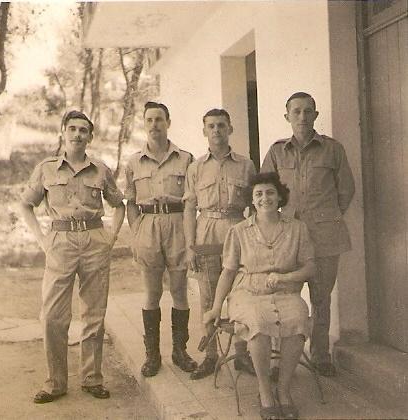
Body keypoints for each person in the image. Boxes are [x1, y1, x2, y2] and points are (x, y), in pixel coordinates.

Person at [20, 110, 125, 403]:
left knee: (94, 313)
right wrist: (42, 239)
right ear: (63, 132)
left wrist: (111, 238)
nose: (78, 134)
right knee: (53, 315)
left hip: (94, 240)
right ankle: (55, 382)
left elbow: (119, 205)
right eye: (73, 129)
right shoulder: (46, 168)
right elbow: (25, 205)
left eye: (84, 130)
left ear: (90, 136)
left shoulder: (101, 170)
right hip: (60, 241)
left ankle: (92, 378)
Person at [204, 172, 316, 420]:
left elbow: (310, 268)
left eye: (270, 192)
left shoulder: (297, 228)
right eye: (258, 194)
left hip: (285, 291)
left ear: (279, 197)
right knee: (258, 321)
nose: (265, 198)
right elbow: (228, 272)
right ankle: (265, 391)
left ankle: (284, 391)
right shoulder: (239, 231)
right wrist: (215, 308)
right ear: (252, 201)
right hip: (248, 293)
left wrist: (285, 278)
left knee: (298, 316)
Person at [261, 92, 355, 377]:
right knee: (283, 297)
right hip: (287, 240)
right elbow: (266, 190)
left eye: (308, 111)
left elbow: (346, 190)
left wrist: (323, 217)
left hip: (325, 237)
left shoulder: (332, 149)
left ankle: (320, 355)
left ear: (315, 115)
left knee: (321, 297)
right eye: (297, 111)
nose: (302, 117)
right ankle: (278, 359)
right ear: (287, 116)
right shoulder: (277, 152)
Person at [183, 108, 257, 380]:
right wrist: (191, 245)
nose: (216, 130)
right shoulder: (196, 167)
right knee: (208, 296)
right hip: (207, 232)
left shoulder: (246, 165)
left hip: (237, 229)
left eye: (221, 125)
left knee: (240, 292)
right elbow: (190, 208)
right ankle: (211, 355)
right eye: (211, 126)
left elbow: (255, 206)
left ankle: (242, 353)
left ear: (230, 129)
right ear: (204, 131)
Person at [125, 101, 197, 377]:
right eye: (149, 120)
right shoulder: (133, 162)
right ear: (144, 124)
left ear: (168, 122)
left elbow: (192, 200)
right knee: (152, 292)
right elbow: (130, 201)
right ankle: (152, 355)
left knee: (179, 290)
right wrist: (137, 231)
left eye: (159, 119)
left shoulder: (186, 158)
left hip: (178, 224)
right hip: (148, 226)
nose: (154, 125)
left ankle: (180, 351)